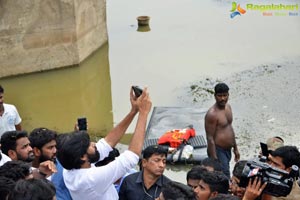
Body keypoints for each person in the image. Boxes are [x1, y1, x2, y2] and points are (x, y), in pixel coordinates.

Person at [57, 87, 152, 200]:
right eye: (89, 145)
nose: (94, 144)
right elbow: (131, 157)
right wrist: (144, 113)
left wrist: (133, 111)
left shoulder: (70, 169)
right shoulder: (91, 179)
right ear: (82, 157)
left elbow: (107, 143)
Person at [205, 82, 240, 178]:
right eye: (219, 96)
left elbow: (230, 128)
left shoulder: (228, 107)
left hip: (227, 149)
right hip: (218, 150)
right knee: (224, 175)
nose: (222, 98)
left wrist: (235, 148)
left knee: (225, 173)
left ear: (228, 95)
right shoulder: (212, 114)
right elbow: (210, 138)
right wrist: (215, 161)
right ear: (215, 96)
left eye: (225, 95)